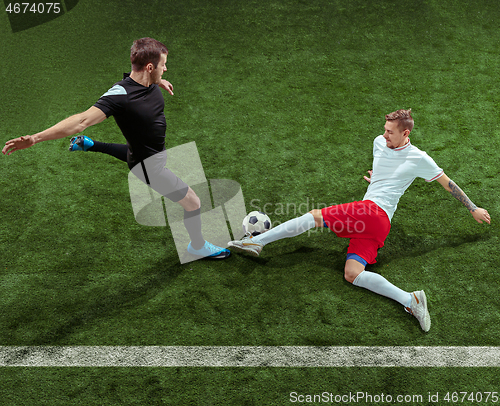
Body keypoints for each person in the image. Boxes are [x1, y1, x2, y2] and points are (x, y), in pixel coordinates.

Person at [228, 109, 491, 332]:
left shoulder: (419, 158)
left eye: (391, 131)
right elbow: (386, 167)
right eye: (385, 129)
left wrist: (472, 208)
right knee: (353, 273)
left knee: (314, 218)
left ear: (405, 133)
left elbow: (448, 184)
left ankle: (257, 242)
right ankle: (411, 300)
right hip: (378, 223)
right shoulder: (379, 142)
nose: (385, 134)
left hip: (373, 212)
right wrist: (377, 179)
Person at [2, 37, 230, 260]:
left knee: (134, 154)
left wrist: (158, 81)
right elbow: (81, 120)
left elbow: (144, 83)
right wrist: (35, 138)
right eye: (163, 66)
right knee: (193, 202)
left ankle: (90, 145)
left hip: (144, 154)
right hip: (151, 167)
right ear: (149, 67)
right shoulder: (120, 95)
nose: (166, 69)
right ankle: (197, 246)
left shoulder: (147, 81)